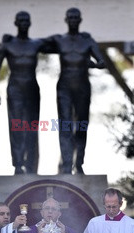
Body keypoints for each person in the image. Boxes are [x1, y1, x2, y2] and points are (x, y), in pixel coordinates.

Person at [44, 8, 105, 174]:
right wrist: (11, 40)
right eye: (70, 17)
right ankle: (66, 165)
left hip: (82, 87)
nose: (73, 20)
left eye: (75, 17)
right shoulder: (59, 40)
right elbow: (36, 44)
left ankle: (79, 163)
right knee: (65, 126)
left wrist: (91, 64)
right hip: (64, 87)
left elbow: (102, 61)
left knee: (81, 126)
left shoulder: (87, 41)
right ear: (66, 20)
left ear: (80, 20)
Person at [0, 11, 46, 174]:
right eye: (20, 20)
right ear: (16, 23)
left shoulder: (36, 44)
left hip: (31, 88)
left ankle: (31, 165)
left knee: (32, 127)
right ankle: (17, 164)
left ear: (30, 23)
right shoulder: (8, 44)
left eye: (26, 20)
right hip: (15, 88)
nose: (23, 23)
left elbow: (61, 46)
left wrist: (80, 36)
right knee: (16, 127)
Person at [17, 197, 86, 233]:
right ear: (42, 213)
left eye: (53, 209)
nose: (50, 211)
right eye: (47, 208)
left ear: (59, 214)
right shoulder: (29, 232)